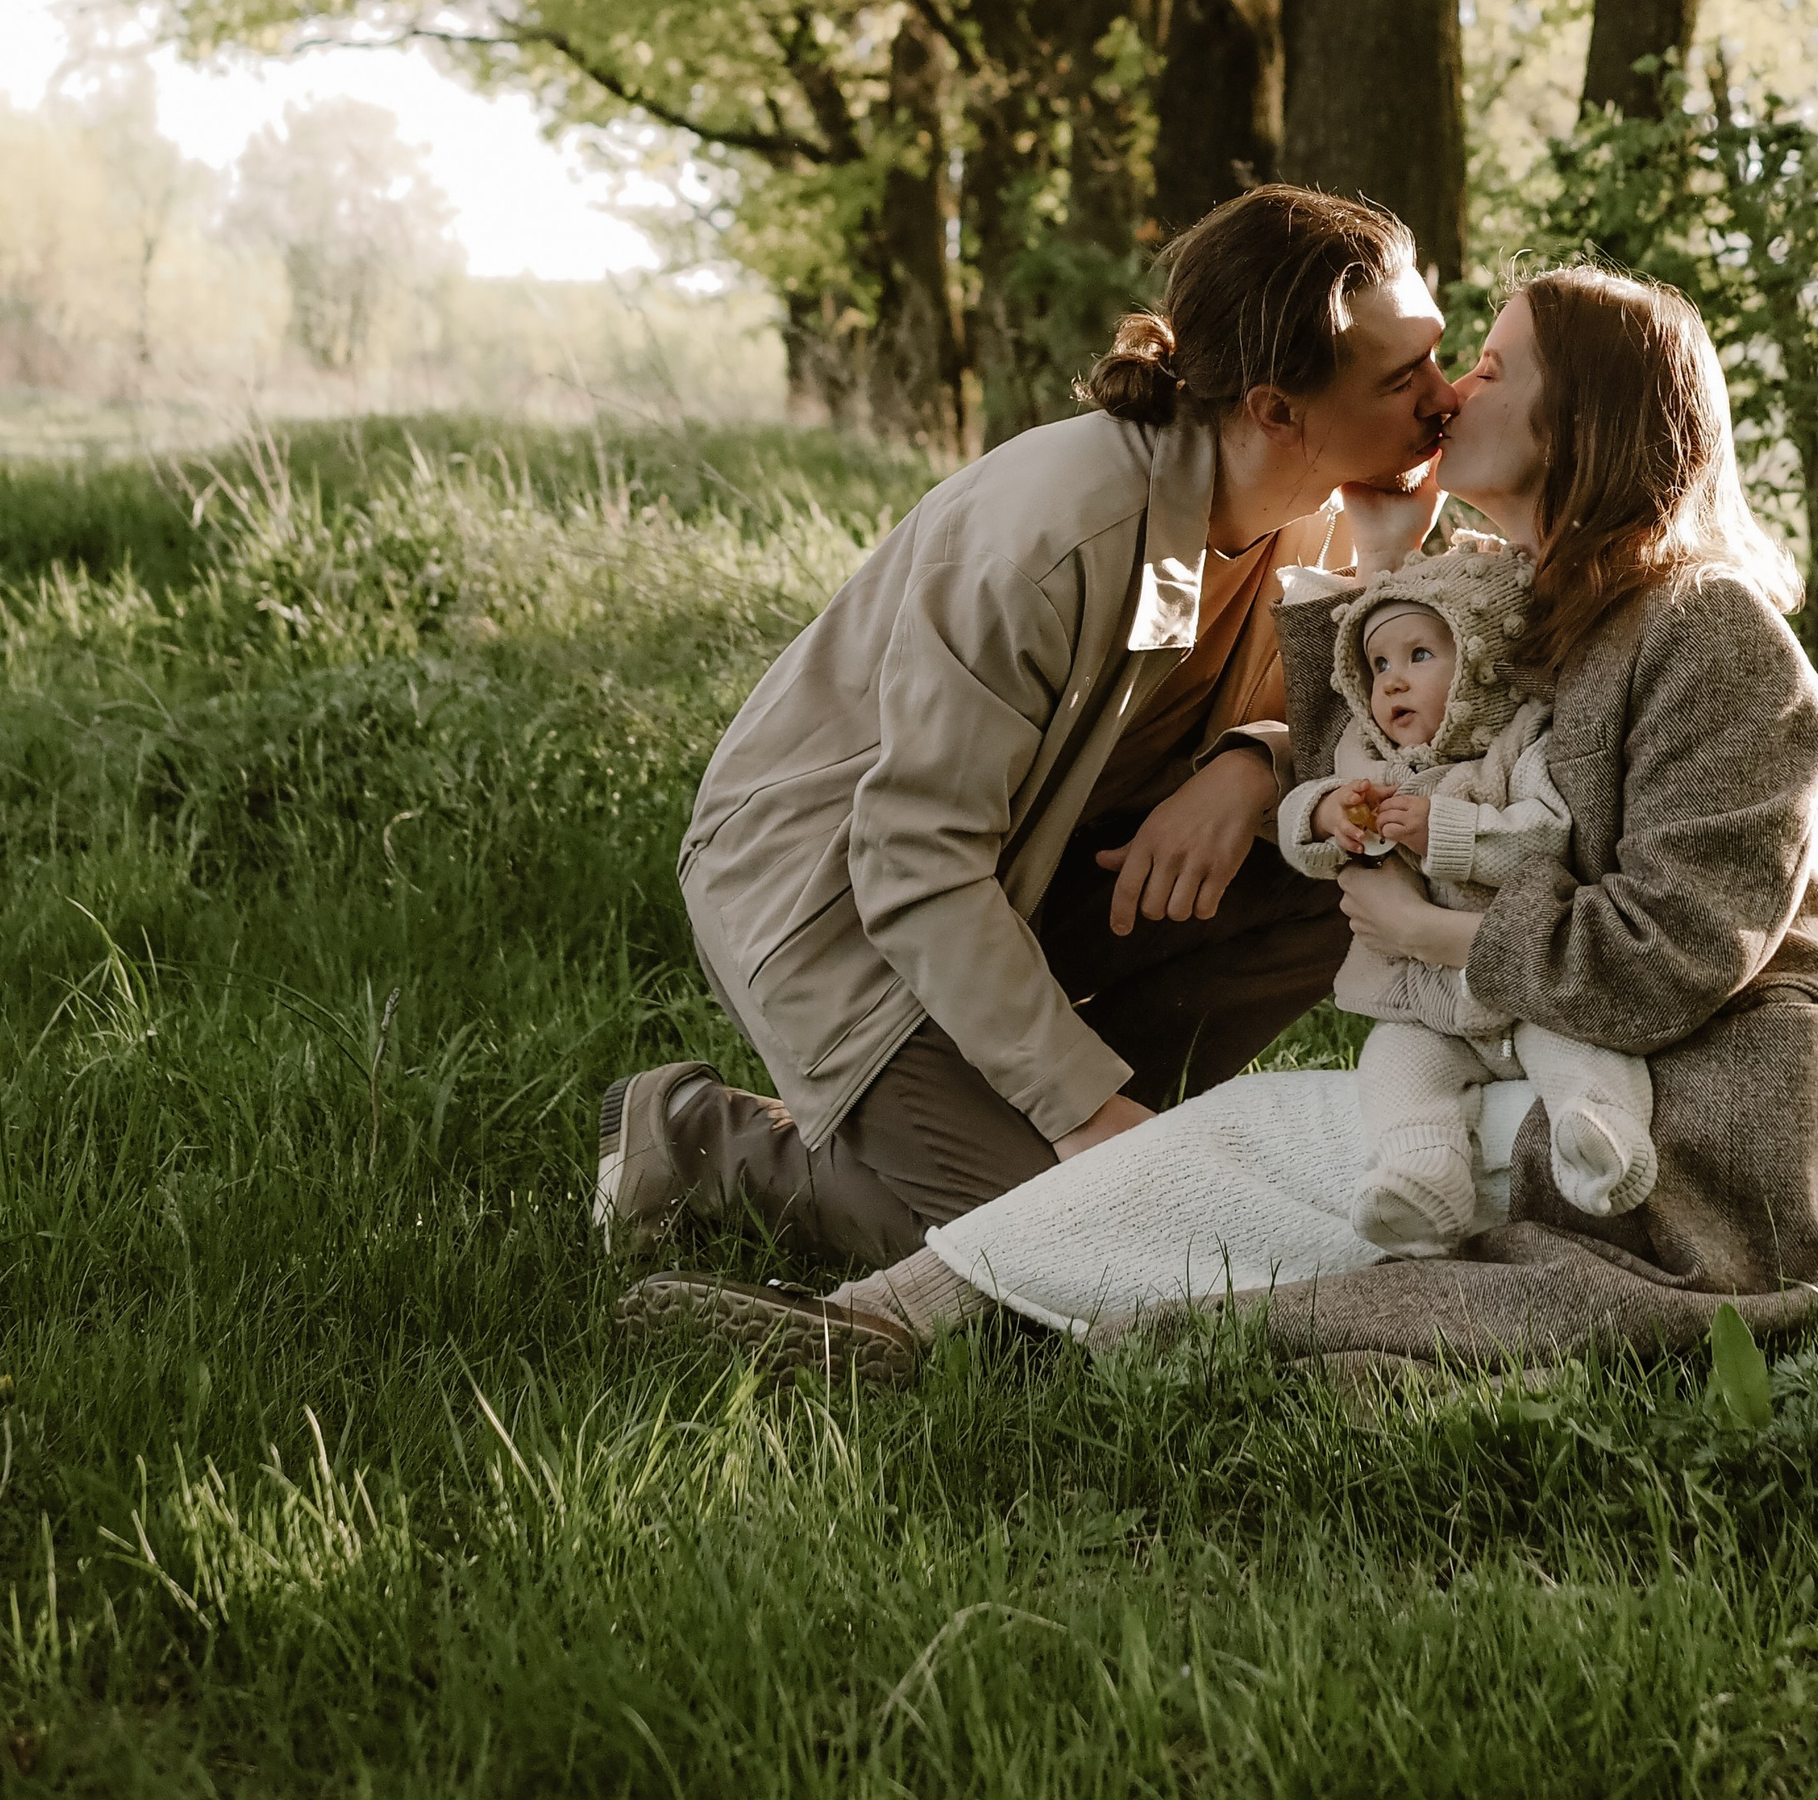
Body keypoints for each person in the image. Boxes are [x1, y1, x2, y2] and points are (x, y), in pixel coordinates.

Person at [617, 263, 1818, 1384]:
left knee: (1236, 1175)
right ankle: (873, 1319)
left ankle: (878, 1317)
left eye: (1490, 366)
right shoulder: (1518, 595)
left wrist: (1433, 935)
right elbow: (1362, 799)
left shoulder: (1712, 629)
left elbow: (1676, 949)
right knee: (1230, 1171)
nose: (1451, 392)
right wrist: (1374, 571)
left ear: (1583, 420)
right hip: (1536, 1063)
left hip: (1696, 1129)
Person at [594, 182, 1459, 1282]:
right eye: (1403, 376)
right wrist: (1078, 1107)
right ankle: (698, 1140)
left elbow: (1382, 757)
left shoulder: (1324, 506)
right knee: (1068, 1263)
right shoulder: (1049, 535)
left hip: (1031, 864)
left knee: (1337, 860)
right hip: (838, 893)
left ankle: (1085, 1138)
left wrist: (1259, 756)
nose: (1445, 397)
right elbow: (911, 857)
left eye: (1438, 356)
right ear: (1275, 408)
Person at [1276, 546, 1658, 1249]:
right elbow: (1305, 830)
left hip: (1524, 986)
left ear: (1482, 665)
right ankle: (1421, 1177)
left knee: (1578, 1048)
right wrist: (1326, 816)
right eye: (1378, 665)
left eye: (1419, 654)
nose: (1392, 682)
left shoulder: (1522, 748)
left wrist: (1444, 831)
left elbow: (1546, 834)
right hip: (1427, 1005)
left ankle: (1601, 1135)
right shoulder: (1370, 761)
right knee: (1394, 1066)